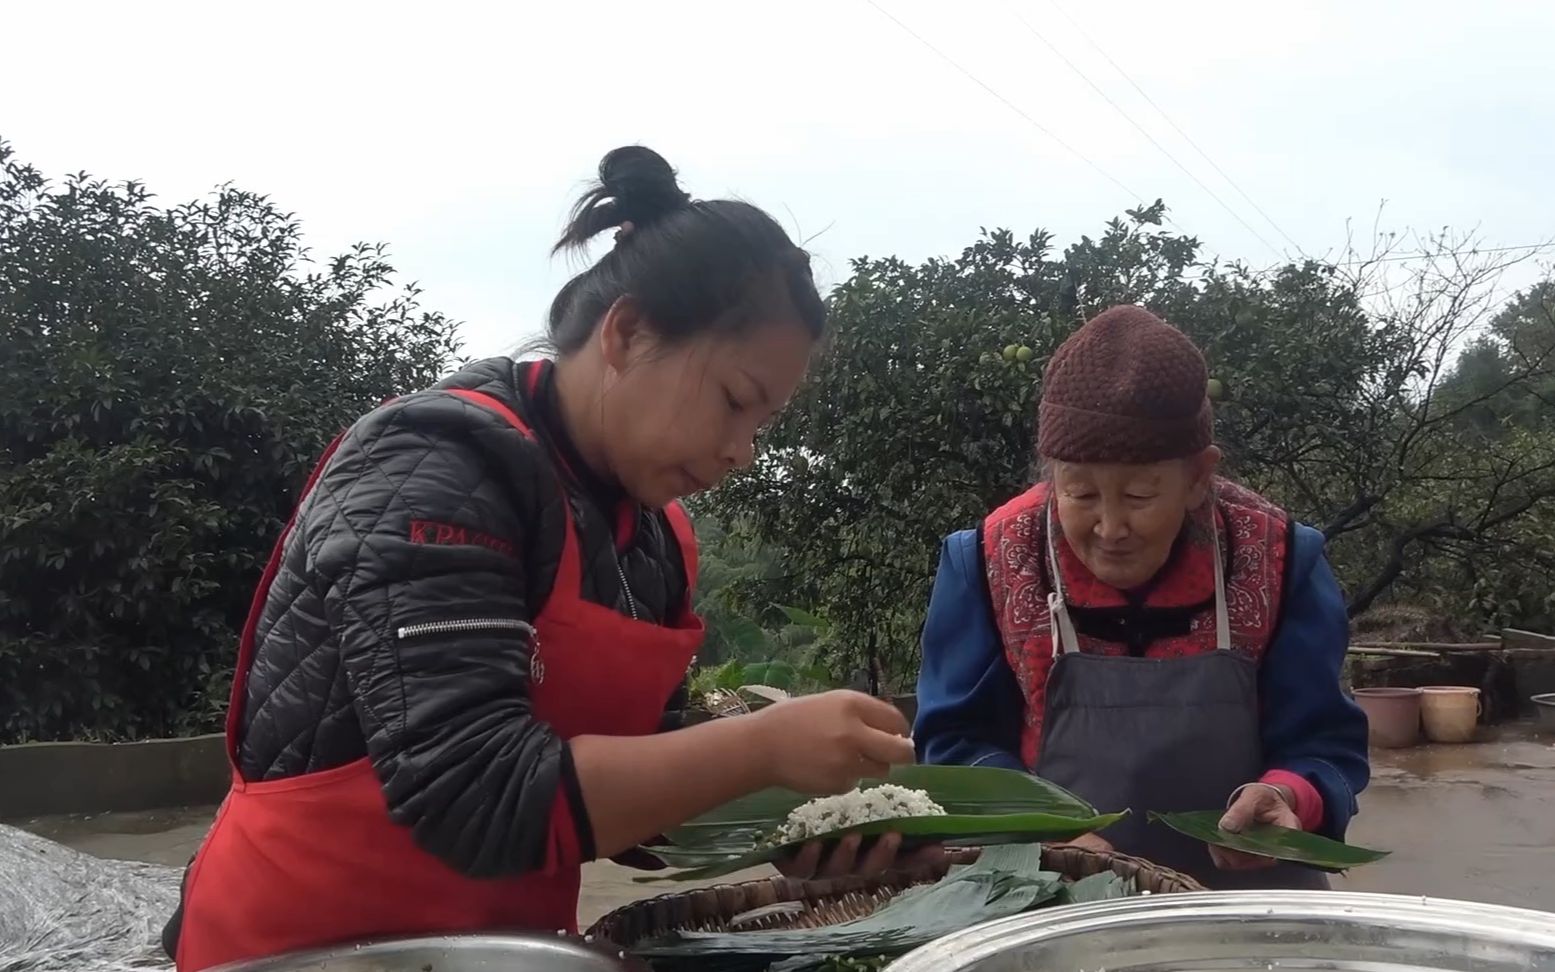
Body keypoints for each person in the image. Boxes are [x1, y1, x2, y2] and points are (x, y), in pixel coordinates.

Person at [168, 146, 923, 972]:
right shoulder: (435, 465)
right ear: (628, 332)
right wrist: (759, 749)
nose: (742, 450)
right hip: (303, 945)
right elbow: (472, 792)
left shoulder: (656, 538)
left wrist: (786, 819)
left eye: (763, 424)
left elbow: (633, 784)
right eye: (734, 401)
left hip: (497, 950)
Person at [913, 305, 1369, 890]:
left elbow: (1324, 741)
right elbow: (954, 745)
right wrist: (1036, 828)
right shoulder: (989, 560)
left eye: (1139, 494)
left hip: (1248, 901)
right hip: (1053, 895)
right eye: (1079, 493)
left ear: (1200, 475)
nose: (1109, 527)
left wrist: (1289, 797)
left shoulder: (1278, 557)